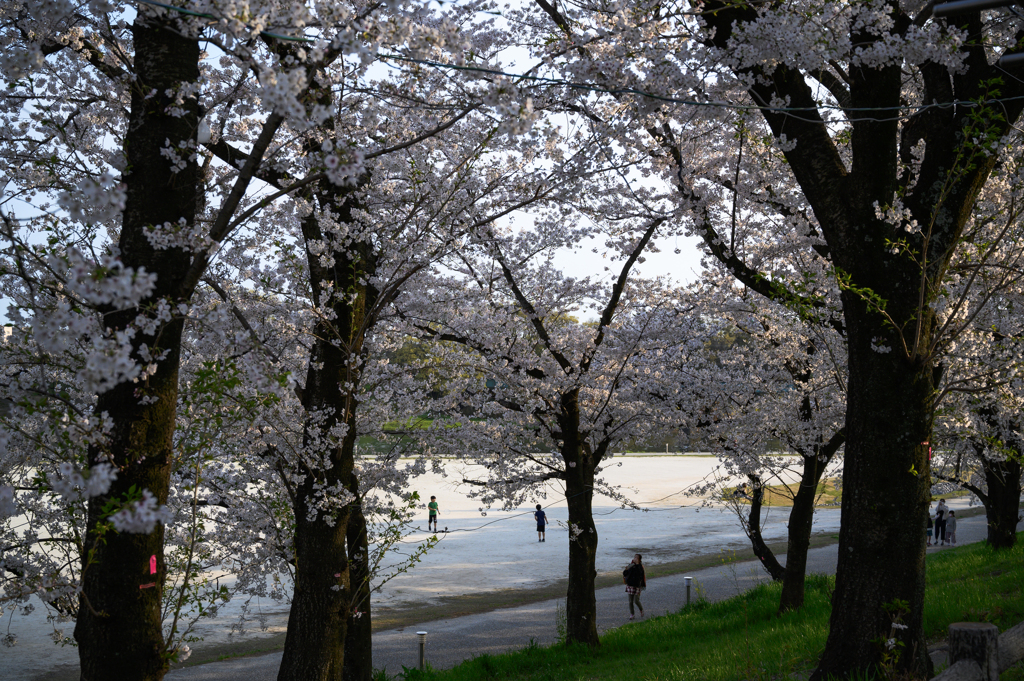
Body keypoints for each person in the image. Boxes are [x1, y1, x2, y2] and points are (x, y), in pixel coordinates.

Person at [622, 553, 646, 620]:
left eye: (636, 558)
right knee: (630, 601)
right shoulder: (631, 566)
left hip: (637, 586)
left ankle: (641, 610)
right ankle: (632, 614)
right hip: (630, 585)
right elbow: (625, 573)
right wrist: (626, 569)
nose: (634, 558)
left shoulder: (640, 567)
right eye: (634, 557)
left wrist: (636, 564)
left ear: (639, 560)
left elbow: (640, 573)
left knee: (636, 600)